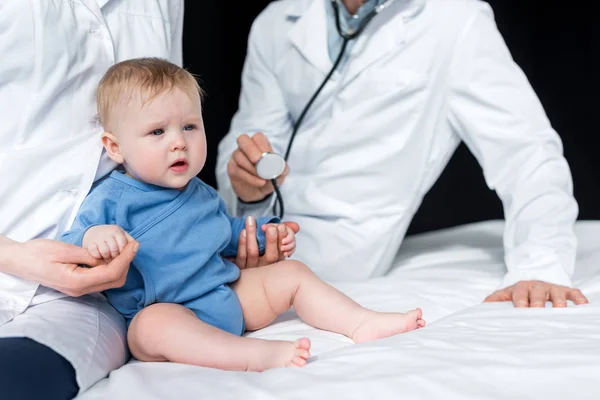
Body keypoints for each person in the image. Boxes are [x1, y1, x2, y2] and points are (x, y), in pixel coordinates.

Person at [58, 57, 426, 371]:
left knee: (292, 274)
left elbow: (228, 230)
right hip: (168, 311)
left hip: (225, 296)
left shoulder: (200, 193)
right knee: (150, 327)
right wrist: (93, 238)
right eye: (157, 131)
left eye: (189, 126)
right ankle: (252, 356)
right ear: (115, 147)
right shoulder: (111, 199)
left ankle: (361, 322)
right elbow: (70, 245)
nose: (178, 141)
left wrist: (266, 231)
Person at [216, 0, 590, 308]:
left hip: (336, 253)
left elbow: (525, 151)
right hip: (243, 232)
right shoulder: (277, 21)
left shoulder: (454, 21)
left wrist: (540, 264)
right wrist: (247, 186)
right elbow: (246, 139)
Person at [0, 2, 186, 399]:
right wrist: (13, 255)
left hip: (89, 295)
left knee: (17, 380)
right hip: (10, 245)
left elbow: (169, 130)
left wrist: (202, 241)